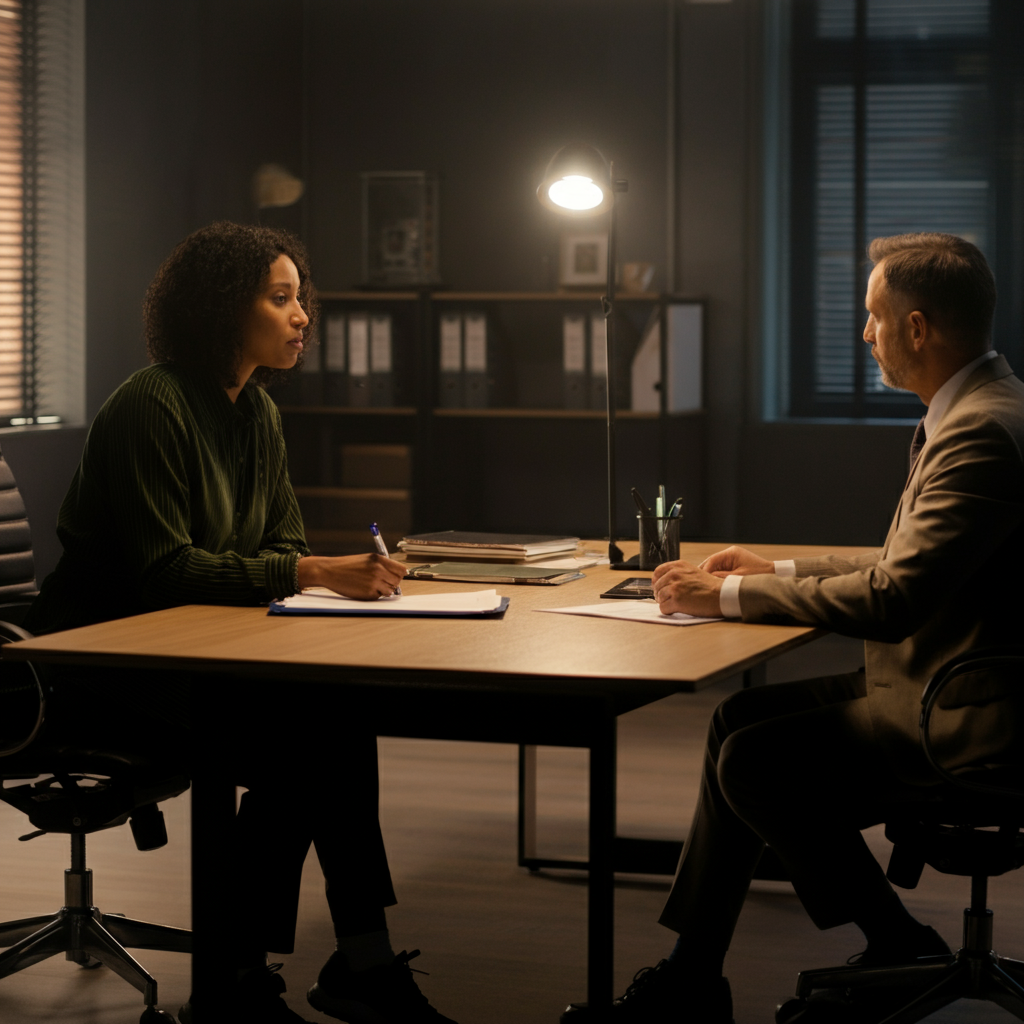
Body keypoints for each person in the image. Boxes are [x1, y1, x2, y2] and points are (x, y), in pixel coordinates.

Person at [560, 232, 1024, 1024]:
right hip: (949, 675)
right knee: (739, 718)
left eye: (875, 317)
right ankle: (693, 974)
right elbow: (900, 559)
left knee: (756, 762)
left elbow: (894, 596)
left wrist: (729, 599)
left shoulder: (980, 431)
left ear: (918, 328)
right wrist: (769, 571)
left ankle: (895, 941)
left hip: (968, 715)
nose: (865, 334)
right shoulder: (986, 407)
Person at [24, 221, 458, 1024]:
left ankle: (296, 969)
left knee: (334, 720)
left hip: (196, 655)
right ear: (225, 307)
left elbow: (282, 541)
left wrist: (304, 571)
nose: (303, 317)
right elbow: (166, 571)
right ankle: (253, 979)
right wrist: (311, 573)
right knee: (309, 744)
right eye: (282, 298)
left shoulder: (256, 413)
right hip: (100, 669)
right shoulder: (150, 406)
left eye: (303, 300)